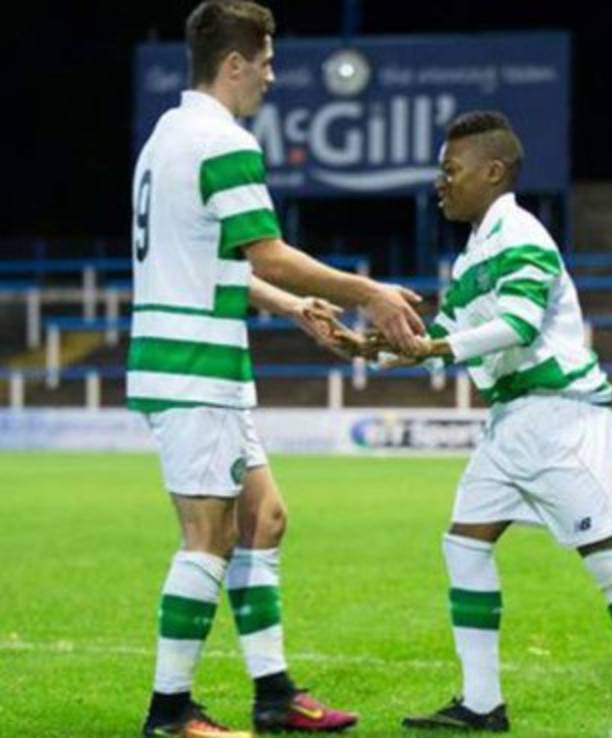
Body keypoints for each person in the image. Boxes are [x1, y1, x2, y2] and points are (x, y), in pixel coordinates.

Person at [129, 1, 424, 735]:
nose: (270, 74)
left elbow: (214, 257)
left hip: (198, 361)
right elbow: (268, 251)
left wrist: (293, 309)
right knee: (207, 539)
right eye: (265, 60)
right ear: (233, 64)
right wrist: (370, 292)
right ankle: (170, 711)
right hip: (193, 364)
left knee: (264, 519)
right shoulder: (221, 142)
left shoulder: (168, 135)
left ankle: (273, 694)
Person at [373, 110, 612, 738]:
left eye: (449, 170)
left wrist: (433, 350)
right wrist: (361, 345)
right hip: (512, 418)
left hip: (559, 415)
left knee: (605, 556)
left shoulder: (523, 234)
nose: (440, 182)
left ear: (491, 172)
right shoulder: (473, 255)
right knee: (463, 545)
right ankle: (482, 704)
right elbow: (437, 335)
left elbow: (514, 327)